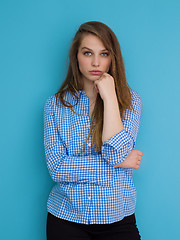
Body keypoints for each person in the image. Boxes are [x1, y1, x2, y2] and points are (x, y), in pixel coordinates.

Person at [44, 21, 143, 240]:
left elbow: (115, 152)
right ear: (76, 56)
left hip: (118, 218)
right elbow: (57, 168)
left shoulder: (130, 101)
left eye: (104, 53)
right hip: (66, 217)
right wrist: (119, 163)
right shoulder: (55, 105)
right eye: (87, 53)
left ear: (112, 58)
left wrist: (108, 97)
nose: (96, 62)